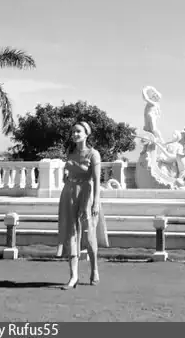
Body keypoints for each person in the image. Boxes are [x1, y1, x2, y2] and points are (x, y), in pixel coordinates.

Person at [57, 121, 108, 289]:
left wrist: (96, 203)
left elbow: (96, 179)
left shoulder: (94, 154)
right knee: (71, 232)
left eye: (78, 131)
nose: (75, 134)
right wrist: (66, 175)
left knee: (89, 233)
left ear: (86, 134)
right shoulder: (70, 153)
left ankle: (94, 268)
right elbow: (68, 172)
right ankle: (73, 277)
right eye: (73, 132)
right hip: (69, 193)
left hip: (86, 194)